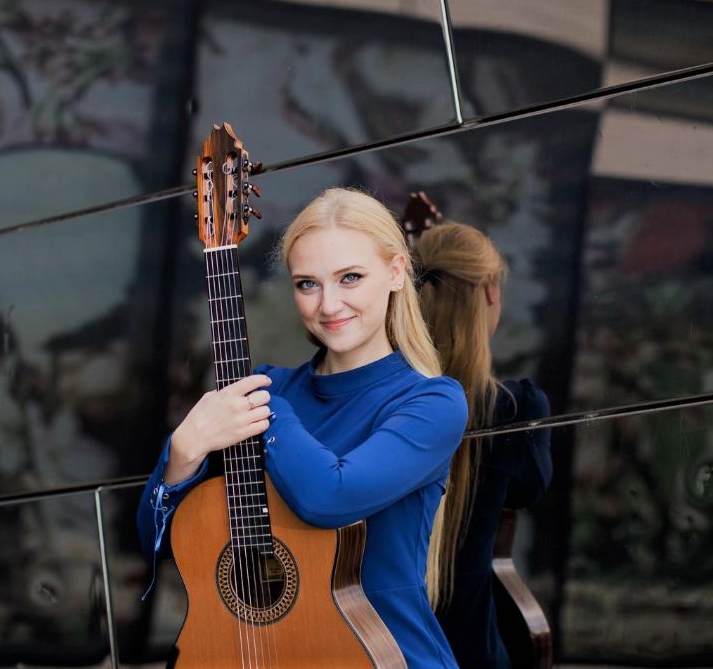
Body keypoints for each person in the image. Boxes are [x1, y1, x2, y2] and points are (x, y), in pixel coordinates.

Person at [137, 187, 468, 667]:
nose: (328, 304)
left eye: (349, 278)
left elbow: (328, 498)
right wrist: (182, 455)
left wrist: (267, 401)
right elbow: (158, 542)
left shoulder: (431, 402)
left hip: (379, 656)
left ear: (396, 273)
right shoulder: (268, 392)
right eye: (307, 284)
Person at [413, 223, 553, 669]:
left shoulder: (384, 400)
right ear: (490, 290)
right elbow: (528, 489)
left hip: (379, 645)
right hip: (470, 653)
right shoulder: (515, 409)